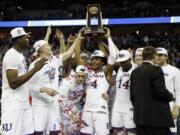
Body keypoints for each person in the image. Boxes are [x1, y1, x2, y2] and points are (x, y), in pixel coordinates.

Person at [1, 27, 47, 135]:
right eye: (26, 37)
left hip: (23, 102)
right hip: (13, 104)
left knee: (28, 133)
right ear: (18, 40)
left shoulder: (19, 55)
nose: (28, 39)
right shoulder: (11, 55)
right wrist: (35, 69)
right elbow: (13, 83)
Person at [28, 36, 78, 134]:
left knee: (55, 132)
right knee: (38, 132)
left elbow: (68, 54)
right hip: (39, 103)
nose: (50, 46)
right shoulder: (34, 65)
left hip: (53, 102)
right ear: (41, 49)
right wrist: (44, 89)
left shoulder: (54, 60)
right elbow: (28, 87)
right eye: (47, 45)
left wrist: (78, 39)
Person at [74, 28, 113, 135]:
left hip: (101, 111)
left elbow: (112, 58)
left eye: (98, 59)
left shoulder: (106, 73)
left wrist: (104, 39)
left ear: (103, 62)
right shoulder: (87, 72)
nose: (94, 61)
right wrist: (79, 38)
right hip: (87, 110)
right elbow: (77, 57)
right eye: (93, 59)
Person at [130, 46, 174, 135]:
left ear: (143, 56)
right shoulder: (156, 69)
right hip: (157, 120)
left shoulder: (135, 72)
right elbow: (161, 92)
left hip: (140, 119)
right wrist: (171, 96)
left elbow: (132, 96)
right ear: (154, 56)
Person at [111, 50, 136, 135]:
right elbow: (112, 53)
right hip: (117, 107)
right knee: (119, 132)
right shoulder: (119, 69)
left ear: (130, 59)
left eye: (124, 61)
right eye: (120, 62)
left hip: (130, 108)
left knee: (132, 132)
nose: (122, 64)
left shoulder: (136, 69)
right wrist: (108, 39)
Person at [156, 47, 180, 135]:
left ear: (166, 57)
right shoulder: (151, 69)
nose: (157, 57)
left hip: (168, 105)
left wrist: (177, 107)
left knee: (171, 131)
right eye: (156, 55)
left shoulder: (175, 70)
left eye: (160, 55)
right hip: (153, 106)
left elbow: (178, 91)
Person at [59, 65, 88, 135]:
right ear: (75, 74)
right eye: (79, 76)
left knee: (78, 129)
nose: (81, 79)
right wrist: (70, 113)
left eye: (83, 76)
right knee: (64, 131)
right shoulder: (67, 82)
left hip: (76, 107)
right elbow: (60, 100)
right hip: (62, 108)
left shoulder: (87, 82)